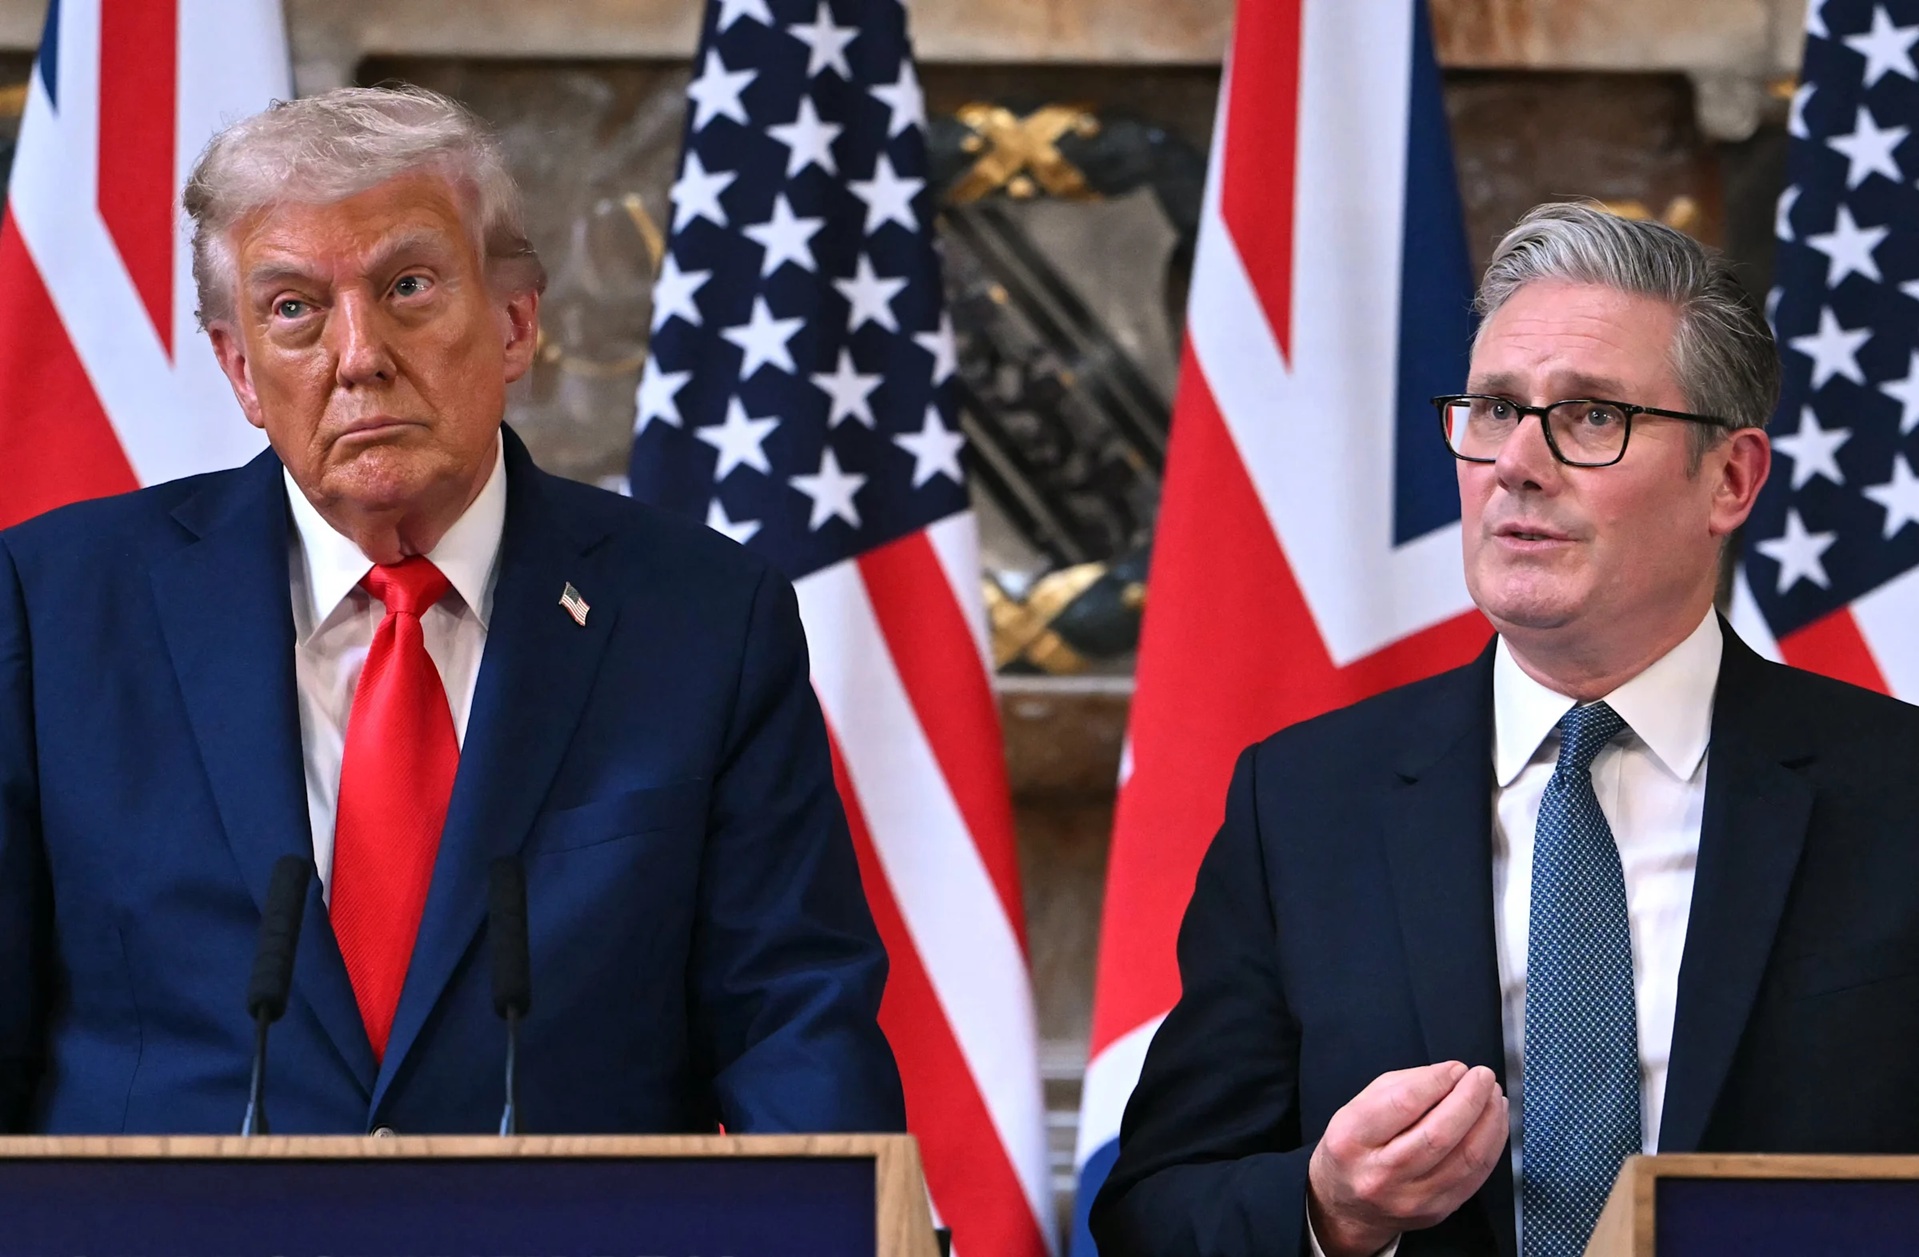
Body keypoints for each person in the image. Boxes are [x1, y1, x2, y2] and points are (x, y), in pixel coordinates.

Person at [0, 86, 905, 1136]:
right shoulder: (55, 605)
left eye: (409, 286)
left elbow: (790, 1027)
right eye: (292, 307)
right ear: (240, 370)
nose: (357, 355)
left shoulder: (702, 619)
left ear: (516, 323)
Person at [1090, 203, 1919, 1257]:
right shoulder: (1304, 804)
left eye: (1588, 417)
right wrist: (1329, 1209)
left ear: (1728, 480)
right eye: (1491, 410)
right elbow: (1153, 1210)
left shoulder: (1896, 795)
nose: (1514, 465)